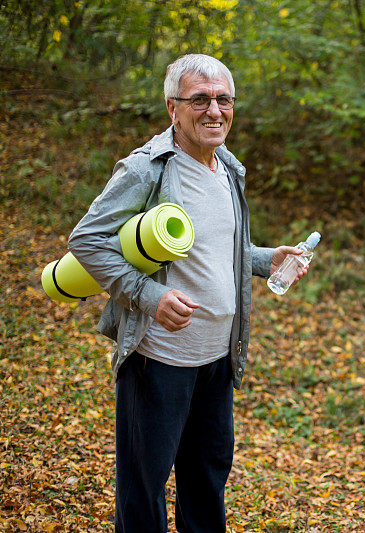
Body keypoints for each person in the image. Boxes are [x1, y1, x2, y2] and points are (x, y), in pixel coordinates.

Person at [68, 53, 308, 532]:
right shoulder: (147, 170)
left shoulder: (228, 168)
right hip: (159, 358)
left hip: (218, 357)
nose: (214, 111)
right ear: (172, 107)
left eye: (223, 100)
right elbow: (86, 240)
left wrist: (265, 260)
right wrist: (149, 298)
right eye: (200, 99)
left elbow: (220, 247)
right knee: (144, 485)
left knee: (206, 479)